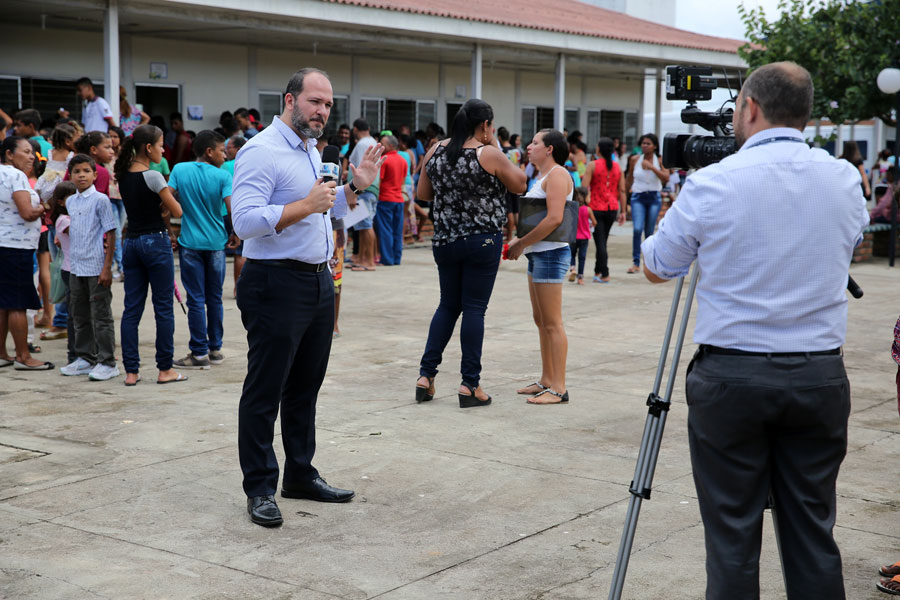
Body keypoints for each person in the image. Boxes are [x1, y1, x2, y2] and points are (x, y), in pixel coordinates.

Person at [641, 62, 869, 599]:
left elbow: (657, 266)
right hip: (818, 376)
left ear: (748, 108)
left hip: (731, 379)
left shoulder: (713, 181)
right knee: (813, 533)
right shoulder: (842, 179)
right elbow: (850, 241)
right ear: (806, 114)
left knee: (732, 539)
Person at [231, 67, 383, 527]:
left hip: (318, 281)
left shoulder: (313, 151)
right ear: (290, 99)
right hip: (274, 282)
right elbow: (244, 222)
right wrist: (305, 206)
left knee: (305, 388)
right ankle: (260, 487)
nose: (322, 112)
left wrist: (357, 186)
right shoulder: (262, 151)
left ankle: (299, 474)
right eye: (315, 102)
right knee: (266, 390)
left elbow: (325, 207)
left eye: (328, 105)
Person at [415, 98, 526, 408]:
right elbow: (520, 183)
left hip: (445, 240)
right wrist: (495, 147)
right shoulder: (487, 153)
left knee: (448, 306)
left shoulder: (436, 150)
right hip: (482, 242)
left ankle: (426, 376)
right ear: (485, 125)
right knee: (474, 309)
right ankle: (469, 384)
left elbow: (423, 194)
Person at [116, 124, 186, 386]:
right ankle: (165, 369)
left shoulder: (122, 175)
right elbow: (177, 211)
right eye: (160, 145)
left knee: (131, 310)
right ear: (148, 148)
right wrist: (166, 209)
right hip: (155, 243)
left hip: (131, 243)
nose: (163, 149)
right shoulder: (154, 176)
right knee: (163, 308)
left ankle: (131, 372)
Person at [507, 129, 573, 404]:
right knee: (541, 321)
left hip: (550, 255)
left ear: (549, 149)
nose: (529, 146)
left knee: (552, 323)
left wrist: (521, 242)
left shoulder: (557, 174)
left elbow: (555, 219)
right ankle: (547, 379)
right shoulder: (543, 175)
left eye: (535, 143)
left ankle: (558, 387)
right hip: (539, 255)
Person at [168, 130, 233, 369]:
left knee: (195, 299)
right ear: (209, 151)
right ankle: (215, 349)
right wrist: (235, 233)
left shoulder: (179, 170)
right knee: (214, 298)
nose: (225, 156)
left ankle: (198, 353)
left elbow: (166, 200)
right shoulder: (222, 176)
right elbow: (231, 207)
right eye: (221, 150)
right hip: (216, 243)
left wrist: (169, 228)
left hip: (189, 243)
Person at [58, 154, 118, 380]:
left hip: (96, 267)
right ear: (71, 175)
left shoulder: (101, 200)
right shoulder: (71, 201)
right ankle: (85, 357)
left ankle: (108, 361)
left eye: (86, 171)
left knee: (101, 316)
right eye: (76, 171)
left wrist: (107, 267)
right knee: (79, 314)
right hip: (76, 267)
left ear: (95, 174)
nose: (81, 175)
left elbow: (111, 233)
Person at [0, 137, 52, 370]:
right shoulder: (16, 176)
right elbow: (27, 213)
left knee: (3, 303)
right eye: (26, 152)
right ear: (10, 154)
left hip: (4, 245)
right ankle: (23, 356)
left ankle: (2, 353)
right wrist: (44, 207)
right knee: (18, 303)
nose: (32, 156)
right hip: (15, 246)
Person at [582, 137, 626, 283]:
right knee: (602, 240)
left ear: (599, 149)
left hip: (596, 207)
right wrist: (624, 211)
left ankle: (605, 272)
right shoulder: (617, 167)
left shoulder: (592, 165)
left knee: (600, 242)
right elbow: (622, 190)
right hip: (612, 208)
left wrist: (584, 203)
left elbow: (583, 187)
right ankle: (598, 271)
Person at [48, 182, 77, 361]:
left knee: (79, 313)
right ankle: (74, 353)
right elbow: (81, 233)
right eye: (71, 198)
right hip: (70, 270)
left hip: (78, 270)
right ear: (60, 202)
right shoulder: (63, 220)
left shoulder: (69, 218)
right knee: (74, 315)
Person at [348, 118, 379, 271]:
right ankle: (361, 259)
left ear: (355, 129)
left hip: (364, 190)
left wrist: (354, 193)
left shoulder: (362, 144)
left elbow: (360, 171)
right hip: (369, 189)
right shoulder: (372, 141)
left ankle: (369, 261)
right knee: (363, 226)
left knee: (366, 226)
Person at [373, 135, 407, 266]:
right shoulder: (403, 160)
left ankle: (387, 259)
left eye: (383, 144)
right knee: (397, 231)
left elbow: (379, 181)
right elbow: (403, 181)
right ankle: (397, 258)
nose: (380, 146)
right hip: (399, 198)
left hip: (385, 198)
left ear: (391, 146)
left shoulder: (384, 160)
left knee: (385, 230)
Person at [567, 187, 596, 285]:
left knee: (571, 254)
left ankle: (573, 268)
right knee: (582, 257)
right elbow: (595, 222)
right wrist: (590, 225)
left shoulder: (572, 209)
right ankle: (580, 278)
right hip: (584, 237)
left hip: (573, 237)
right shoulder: (588, 210)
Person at [73, 132, 113, 197]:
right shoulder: (101, 171)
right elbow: (98, 200)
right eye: (107, 147)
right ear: (94, 149)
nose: (112, 151)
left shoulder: (74, 166)